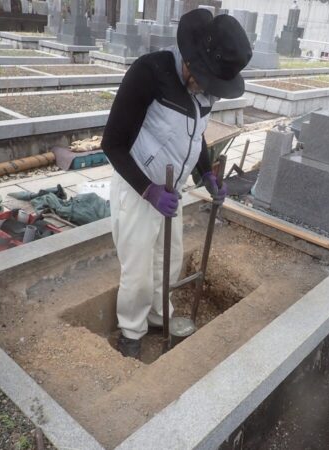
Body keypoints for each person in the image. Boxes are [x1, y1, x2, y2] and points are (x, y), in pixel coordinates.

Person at [101, 9, 252, 358]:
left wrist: (207, 175)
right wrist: (148, 190)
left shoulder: (203, 90)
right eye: (206, 80)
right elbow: (112, 144)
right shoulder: (149, 73)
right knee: (138, 270)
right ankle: (132, 331)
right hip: (139, 188)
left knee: (168, 261)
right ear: (192, 60)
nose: (207, 90)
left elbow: (195, 136)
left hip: (171, 190)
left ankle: (158, 316)